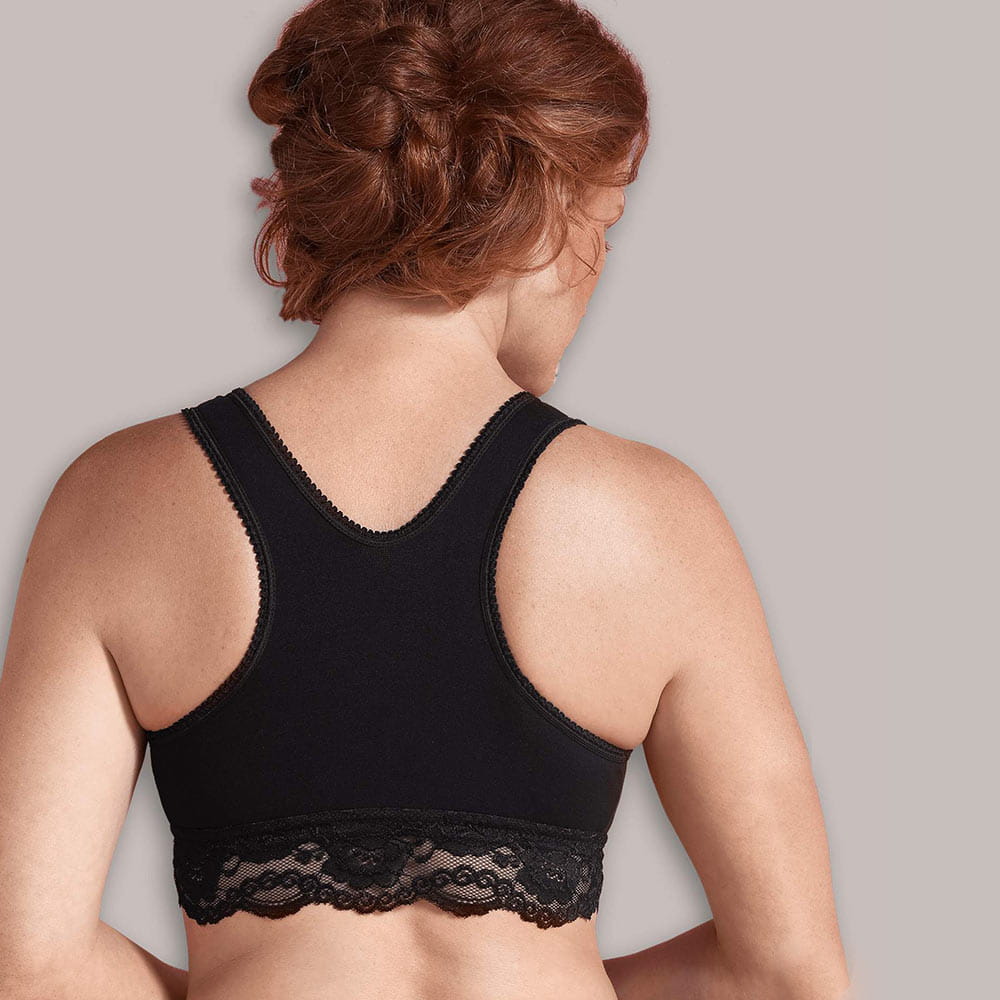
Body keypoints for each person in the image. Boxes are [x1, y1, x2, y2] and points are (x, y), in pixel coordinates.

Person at [0, 1, 852, 998]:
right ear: (540, 210)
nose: (603, 267)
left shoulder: (117, 500)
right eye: (607, 223)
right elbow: (786, 974)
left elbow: (31, 963)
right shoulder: (653, 521)